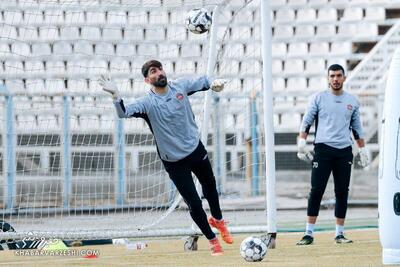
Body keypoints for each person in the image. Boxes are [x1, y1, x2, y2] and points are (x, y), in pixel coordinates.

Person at [98, 59, 233, 256]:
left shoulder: (180, 86)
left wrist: (214, 83)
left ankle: (219, 221)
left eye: (160, 68)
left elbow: (204, 81)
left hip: (194, 148)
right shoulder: (147, 103)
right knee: (194, 203)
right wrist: (116, 96)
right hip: (173, 160)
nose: (159, 73)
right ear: (147, 80)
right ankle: (213, 241)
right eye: (153, 71)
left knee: (210, 185)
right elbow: (123, 113)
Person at [296, 64, 370, 245]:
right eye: (332, 76)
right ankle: (309, 233)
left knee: (342, 192)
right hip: (323, 150)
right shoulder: (318, 98)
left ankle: (339, 233)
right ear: (328, 78)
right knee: (316, 191)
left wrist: (362, 149)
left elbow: (357, 128)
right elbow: (306, 121)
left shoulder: (352, 100)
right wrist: (301, 143)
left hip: (344, 152)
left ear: (344, 77)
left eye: (338, 76)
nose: (335, 79)